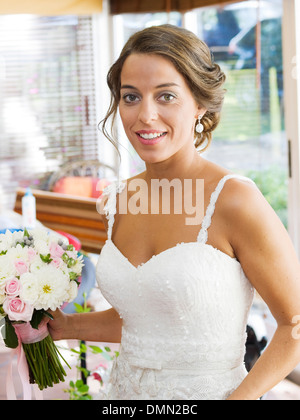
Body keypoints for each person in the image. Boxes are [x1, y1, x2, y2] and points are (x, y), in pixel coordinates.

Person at [49, 24, 300, 400]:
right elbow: (147, 320)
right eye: (131, 97)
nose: (145, 116)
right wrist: (63, 326)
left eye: (165, 96)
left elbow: (294, 326)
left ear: (200, 104)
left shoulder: (234, 200)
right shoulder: (119, 200)